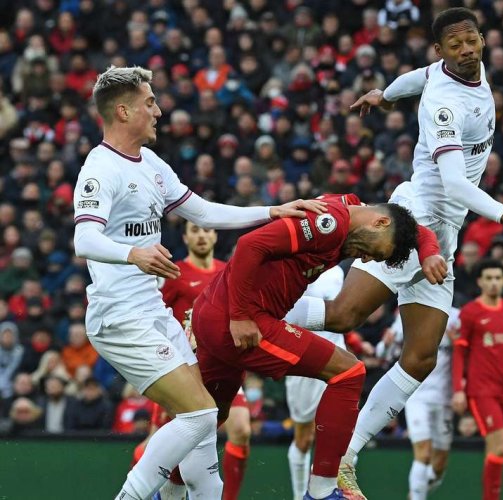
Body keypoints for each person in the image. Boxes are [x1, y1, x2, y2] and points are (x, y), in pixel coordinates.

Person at [286, 8, 503, 497]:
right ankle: (247, 308)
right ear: (442, 51)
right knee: (346, 315)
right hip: (413, 220)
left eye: (472, 40)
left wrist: (383, 94)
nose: (467, 50)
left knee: (422, 355)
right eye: (456, 45)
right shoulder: (445, 105)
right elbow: (453, 181)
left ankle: (346, 456)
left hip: (445, 232)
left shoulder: (455, 71)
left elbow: (417, 77)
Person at [72, 66, 322, 500]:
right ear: (123, 109)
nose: (159, 110)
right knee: (201, 414)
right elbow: (84, 237)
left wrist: (272, 211)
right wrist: (133, 253)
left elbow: (203, 212)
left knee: (204, 425)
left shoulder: (150, 163)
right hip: (119, 317)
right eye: (150, 102)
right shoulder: (100, 169)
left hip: (151, 312)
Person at [189, 193, 432, 500]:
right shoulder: (329, 224)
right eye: (377, 253)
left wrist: (430, 252)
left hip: (213, 313)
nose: (366, 260)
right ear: (380, 222)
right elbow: (250, 245)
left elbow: (414, 226)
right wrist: (239, 316)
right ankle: (321, 491)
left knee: (205, 416)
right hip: (242, 322)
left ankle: (167, 492)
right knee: (349, 372)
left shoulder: (348, 207)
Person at [135, 221, 251, 500]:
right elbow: (152, 314)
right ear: (185, 237)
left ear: (215, 235)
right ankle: (152, 491)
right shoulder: (174, 274)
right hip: (182, 367)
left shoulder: (228, 271)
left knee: (242, 429)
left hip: (221, 363)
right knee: (161, 441)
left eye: (206, 230)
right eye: (195, 231)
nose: (201, 236)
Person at [451, 260, 503, 500]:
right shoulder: (471, 312)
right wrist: (458, 389)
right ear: (480, 282)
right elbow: (459, 352)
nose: (494, 282)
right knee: (498, 446)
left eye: (498, 277)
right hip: (481, 390)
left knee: (498, 451)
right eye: (489, 278)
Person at [283, 265, 347, 500]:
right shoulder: (291, 267)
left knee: (339, 436)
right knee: (304, 438)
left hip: (339, 359)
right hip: (302, 360)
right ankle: (300, 495)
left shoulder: (338, 273)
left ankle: (332, 492)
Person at [403, 307, 459, 500]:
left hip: (445, 399)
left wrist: (457, 342)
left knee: (439, 466)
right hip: (417, 396)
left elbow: (467, 352)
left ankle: (416, 493)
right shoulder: (413, 310)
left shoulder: (457, 317)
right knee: (423, 453)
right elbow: (387, 348)